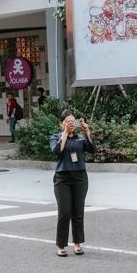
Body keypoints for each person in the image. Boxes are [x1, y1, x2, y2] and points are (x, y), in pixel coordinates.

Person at [50, 110, 96, 257]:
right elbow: (57, 150)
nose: (71, 124)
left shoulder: (80, 138)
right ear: (61, 123)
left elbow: (92, 149)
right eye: (67, 121)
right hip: (62, 178)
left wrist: (87, 131)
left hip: (80, 177)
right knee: (65, 212)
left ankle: (77, 243)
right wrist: (65, 132)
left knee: (78, 212)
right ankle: (61, 245)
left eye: (73, 121)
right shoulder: (56, 136)